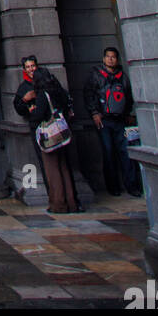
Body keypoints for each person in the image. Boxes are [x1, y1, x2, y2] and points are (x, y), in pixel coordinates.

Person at [83, 47, 142, 198]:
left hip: (120, 120)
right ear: (104, 59)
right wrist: (94, 113)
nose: (111, 59)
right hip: (104, 120)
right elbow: (88, 94)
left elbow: (128, 95)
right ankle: (113, 186)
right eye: (108, 57)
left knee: (126, 153)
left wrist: (128, 113)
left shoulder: (123, 76)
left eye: (113, 57)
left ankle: (132, 185)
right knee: (108, 153)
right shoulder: (96, 75)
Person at [27, 66, 79, 214]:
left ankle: (59, 204)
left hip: (50, 135)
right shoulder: (59, 91)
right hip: (63, 132)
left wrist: (33, 113)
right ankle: (71, 202)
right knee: (64, 167)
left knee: (52, 170)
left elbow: (38, 115)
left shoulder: (44, 94)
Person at [13, 53, 45, 171]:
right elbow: (18, 107)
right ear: (24, 69)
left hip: (52, 124)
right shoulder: (23, 87)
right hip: (37, 126)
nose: (31, 69)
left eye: (32, 66)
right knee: (43, 159)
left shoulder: (46, 80)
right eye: (28, 67)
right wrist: (25, 100)